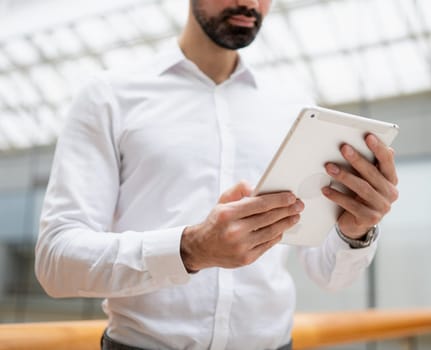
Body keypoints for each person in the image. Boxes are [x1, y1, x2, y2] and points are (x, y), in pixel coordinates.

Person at [35, 0, 399, 349]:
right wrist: (191, 249)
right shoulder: (109, 97)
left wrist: (354, 231)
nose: (250, 3)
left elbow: (330, 274)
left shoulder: (294, 108)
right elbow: (56, 262)